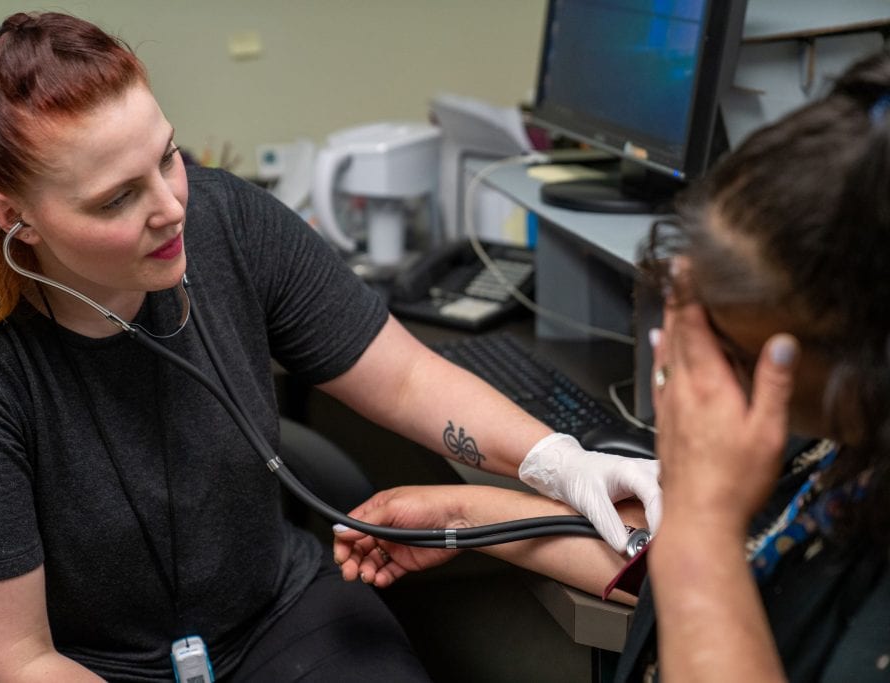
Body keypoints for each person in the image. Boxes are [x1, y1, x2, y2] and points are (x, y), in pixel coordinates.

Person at [0, 12, 662, 682]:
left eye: (167, 156)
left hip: (271, 613)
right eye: (117, 197)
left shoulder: (226, 221)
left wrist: (559, 460)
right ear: (14, 218)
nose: (172, 207)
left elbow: (410, 380)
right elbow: (14, 660)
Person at [335, 49, 890, 681]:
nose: (692, 381)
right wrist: (466, 515)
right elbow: (707, 574)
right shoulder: (835, 455)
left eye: (731, 354)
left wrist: (703, 520)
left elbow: (708, 576)